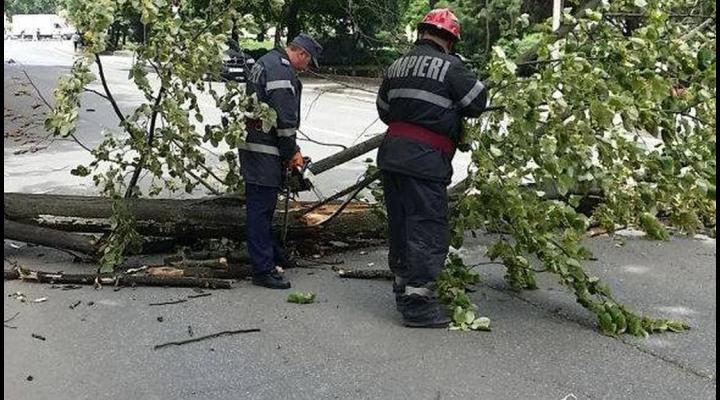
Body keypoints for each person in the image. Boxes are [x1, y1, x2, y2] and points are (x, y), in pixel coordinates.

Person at [375, 9, 488, 327]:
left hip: (392, 156)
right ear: (450, 40)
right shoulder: (452, 67)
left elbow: (385, 111)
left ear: (421, 33)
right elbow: (478, 103)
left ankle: (402, 289)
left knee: (401, 224)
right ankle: (418, 304)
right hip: (424, 162)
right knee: (426, 228)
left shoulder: (396, 66)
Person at [240, 33, 323, 289]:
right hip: (265, 148)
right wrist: (291, 154)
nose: (306, 69)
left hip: (256, 144)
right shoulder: (281, 71)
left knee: (263, 207)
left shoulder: (268, 61)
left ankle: (274, 254)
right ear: (302, 54)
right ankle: (262, 269)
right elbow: (284, 122)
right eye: (308, 63)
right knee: (260, 210)